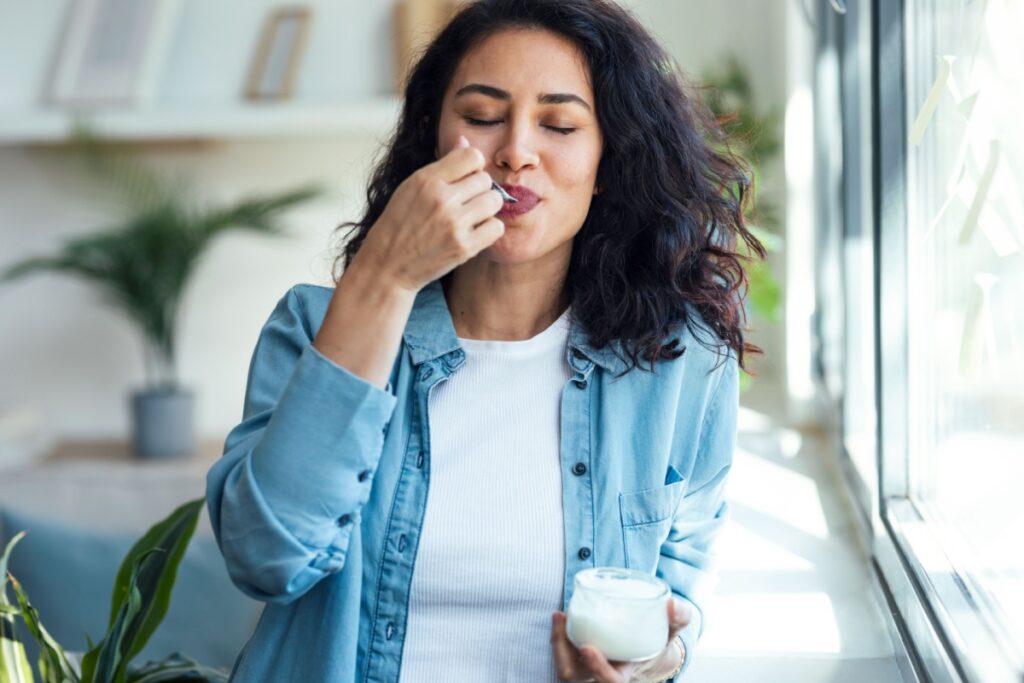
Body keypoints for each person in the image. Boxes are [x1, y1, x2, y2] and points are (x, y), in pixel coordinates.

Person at [206, 0, 764, 680]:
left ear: (609, 158)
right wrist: (382, 275)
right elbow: (266, 557)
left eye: (558, 123)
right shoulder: (313, 328)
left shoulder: (681, 363)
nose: (516, 153)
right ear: (434, 140)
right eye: (480, 117)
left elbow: (677, 590)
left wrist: (661, 655)